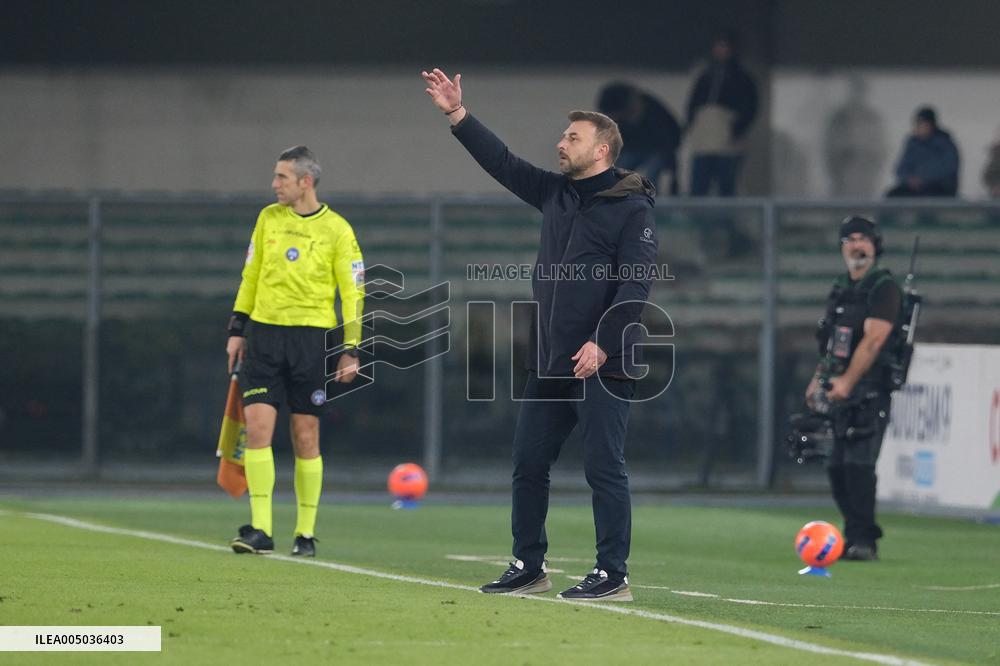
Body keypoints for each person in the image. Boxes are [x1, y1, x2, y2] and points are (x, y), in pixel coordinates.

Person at [422, 68, 658, 601]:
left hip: (605, 362)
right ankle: (529, 565)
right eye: (563, 135)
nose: (561, 143)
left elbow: (636, 286)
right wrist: (458, 115)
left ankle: (613, 574)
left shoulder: (632, 208)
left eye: (572, 137)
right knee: (528, 463)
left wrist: (603, 342)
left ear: (601, 150)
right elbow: (502, 162)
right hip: (550, 361)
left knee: (603, 468)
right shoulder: (555, 194)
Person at [225, 146, 365, 557]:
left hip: (311, 341)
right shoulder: (267, 218)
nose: (274, 185)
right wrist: (238, 327)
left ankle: (305, 533)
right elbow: (250, 274)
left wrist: (351, 348)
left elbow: (352, 292)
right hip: (264, 338)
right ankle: (261, 529)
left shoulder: (338, 229)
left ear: (306, 182)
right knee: (257, 429)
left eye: (281, 178)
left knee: (306, 435)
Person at [804, 216, 902, 561]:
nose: (857, 245)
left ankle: (864, 540)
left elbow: (874, 340)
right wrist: (820, 378)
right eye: (850, 239)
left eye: (864, 239)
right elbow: (832, 343)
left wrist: (847, 381)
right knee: (837, 466)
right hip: (838, 389)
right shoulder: (841, 286)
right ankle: (852, 533)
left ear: (876, 246)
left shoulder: (883, 286)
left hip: (870, 388)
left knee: (860, 464)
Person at [685, 30, 758, 196]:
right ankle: (698, 220)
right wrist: (692, 124)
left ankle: (726, 221)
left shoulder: (742, 78)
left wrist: (737, 129)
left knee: (726, 186)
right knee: (699, 185)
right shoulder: (705, 77)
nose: (720, 50)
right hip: (704, 138)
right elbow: (693, 104)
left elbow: (750, 107)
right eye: (718, 46)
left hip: (727, 138)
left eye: (724, 46)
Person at [597, 82, 682, 195]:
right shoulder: (620, 119)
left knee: (651, 174)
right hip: (635, 149)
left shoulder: (654, 112)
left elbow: (671, 136)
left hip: (658, 150)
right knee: (618, 169)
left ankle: (652, 202)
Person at [886, 106, 960, 197]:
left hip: (939, 189)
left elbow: (948, 170)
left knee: (927, 200)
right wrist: (909, 179)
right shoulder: (912, 144)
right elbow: (901, 169)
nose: (918, 128)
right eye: (917, 124)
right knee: (892, 195)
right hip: (915, 188)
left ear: (931, 125)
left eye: (922, 124)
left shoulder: (945, 145)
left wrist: (924, 179)